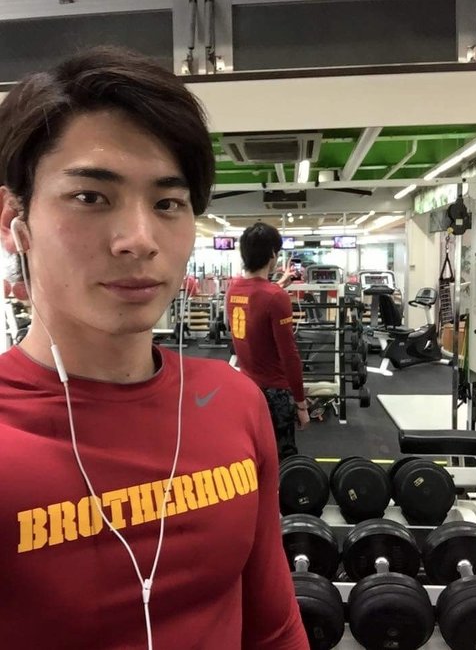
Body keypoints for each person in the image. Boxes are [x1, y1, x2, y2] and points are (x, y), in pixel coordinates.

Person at [0, 47, 308, 650]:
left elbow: (274, 628)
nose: (139, 240)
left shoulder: (234, 402)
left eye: (168, 203)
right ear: (15, 219)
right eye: (91, 197)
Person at [226, 223, 310, 462]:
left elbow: (257, 302)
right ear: (273, 254)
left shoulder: (233, 289)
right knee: (282, 460)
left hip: (246, 387)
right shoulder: (275, 297)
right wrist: (301, 403)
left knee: (255, 456)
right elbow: (289, 355)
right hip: (275, 394)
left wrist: (279, 284)